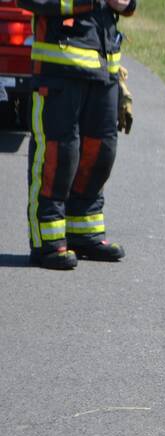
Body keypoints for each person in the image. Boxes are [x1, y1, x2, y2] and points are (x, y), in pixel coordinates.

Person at [18, 0, 134, 270]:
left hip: (105, 71)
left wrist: (126, 4)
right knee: (58, 158)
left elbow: (126, 5)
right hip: (59, 71)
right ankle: (47, 243)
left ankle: (85, 233)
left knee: (101, 153)